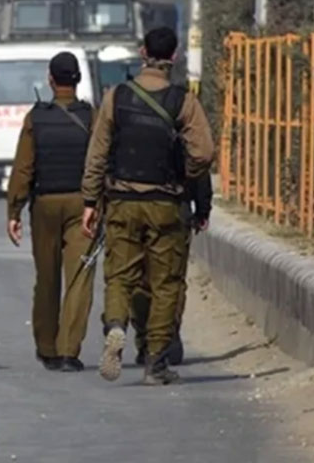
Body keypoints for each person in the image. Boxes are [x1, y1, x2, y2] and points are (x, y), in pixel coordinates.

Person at [81, 27, 215, 385]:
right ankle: (156, 362)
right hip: (166, 204)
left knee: (119, 276)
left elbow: (97, 153)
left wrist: (90, 201)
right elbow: (204, 152)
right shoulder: (183, 101)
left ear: (142, 53)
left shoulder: (116, 97)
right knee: (166, 282)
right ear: (174, 56)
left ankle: (115, 325)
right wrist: (184, 175)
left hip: (123, 200)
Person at [4, 52, 96, 373]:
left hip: (44, 205)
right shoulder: (90, 117)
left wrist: (14, 210)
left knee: (47, 277)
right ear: (78, 80)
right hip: (82, 205)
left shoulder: (36, 118)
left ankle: (47, 348)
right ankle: (69, 350)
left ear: (50, 80)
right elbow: (99, 163)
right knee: (79, 278)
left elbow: (23, 168)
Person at [132, 175, 213, 366]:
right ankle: (167, 334)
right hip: (176, 207)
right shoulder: (184, 142)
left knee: (138, 277)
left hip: (132, 206)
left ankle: (146, 338)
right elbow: (199, 160)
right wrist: (202, 209)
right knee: (171, 279)